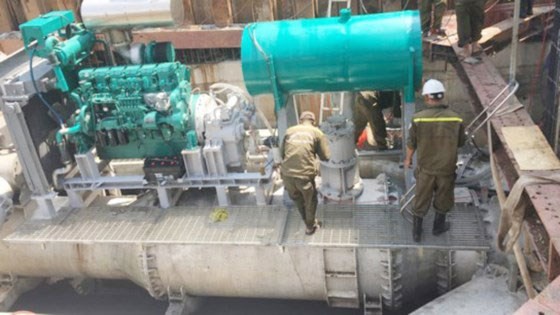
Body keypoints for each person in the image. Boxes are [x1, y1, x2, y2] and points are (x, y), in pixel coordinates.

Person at [404, 79, 466, 242]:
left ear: (426, 98)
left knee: (421, 198)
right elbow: (461, 142)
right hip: (446, 169)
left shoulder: (418, 119)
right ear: (442, 96)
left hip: (426, 169)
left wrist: (408, 159)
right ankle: (438, 228)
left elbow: (412, 143)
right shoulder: (456, 119)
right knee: (444, 198)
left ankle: (417, 233)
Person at [281, 111, 330, 235]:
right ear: (314, 122)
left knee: (297, 198)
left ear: (300, 121)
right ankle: (310, 227)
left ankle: (306, 220)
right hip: (304, 176)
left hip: (287, 175)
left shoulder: (289, 131)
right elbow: (325, 156)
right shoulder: (317, 133)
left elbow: (282, 154)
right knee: (310, 201)